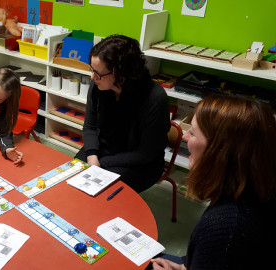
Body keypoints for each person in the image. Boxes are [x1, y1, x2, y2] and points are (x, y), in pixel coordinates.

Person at [150, 95, 276, 270]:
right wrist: (183, 267)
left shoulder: (225, 228)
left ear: (219, 151)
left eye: (192, 132)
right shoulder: (252, 190)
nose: (185, 136)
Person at [75, 34, 170, 193]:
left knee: (101, 192)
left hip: (140, 163)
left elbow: (145, 154)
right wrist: (92, 156)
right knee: (71, 176)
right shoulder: (99, 85)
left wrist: (102, 163)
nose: (93, 77)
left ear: (120, 73)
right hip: (103, 151)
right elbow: (90, 127)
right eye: (92, 70)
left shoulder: (154, 98)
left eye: (98, 73)